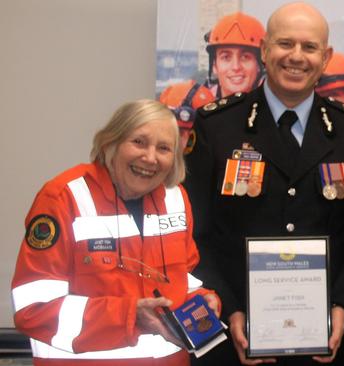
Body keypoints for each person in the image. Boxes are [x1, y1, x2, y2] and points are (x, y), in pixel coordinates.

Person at [184, 2, 344, 366]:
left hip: (322, 344)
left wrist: (342, 307)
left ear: (326, 58)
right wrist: (229, 309)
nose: (296, 57)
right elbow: (195, 237)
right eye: (285, 44)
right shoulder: (217, 126)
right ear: (264, 50)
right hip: (233, 342)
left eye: (309, 47)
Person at [11, 100, 221, 366]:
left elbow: (183, 280)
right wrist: (129, 316)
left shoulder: (175, 198)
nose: (150, 158)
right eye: (139, 142)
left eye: (164, 148)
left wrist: (203, 301)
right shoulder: (64, 197)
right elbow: (34, 310)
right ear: (111, 143)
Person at [204, 12, 265, 99]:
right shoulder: (197, 108)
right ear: (214, 65)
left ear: (260, 65)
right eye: (226, 57)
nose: (236, 67)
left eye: (245, 57)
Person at [159, 80, 214, 155]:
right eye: (178, 132)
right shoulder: (146, 159)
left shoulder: (229, 159)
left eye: (194, 135)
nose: (185, 145)